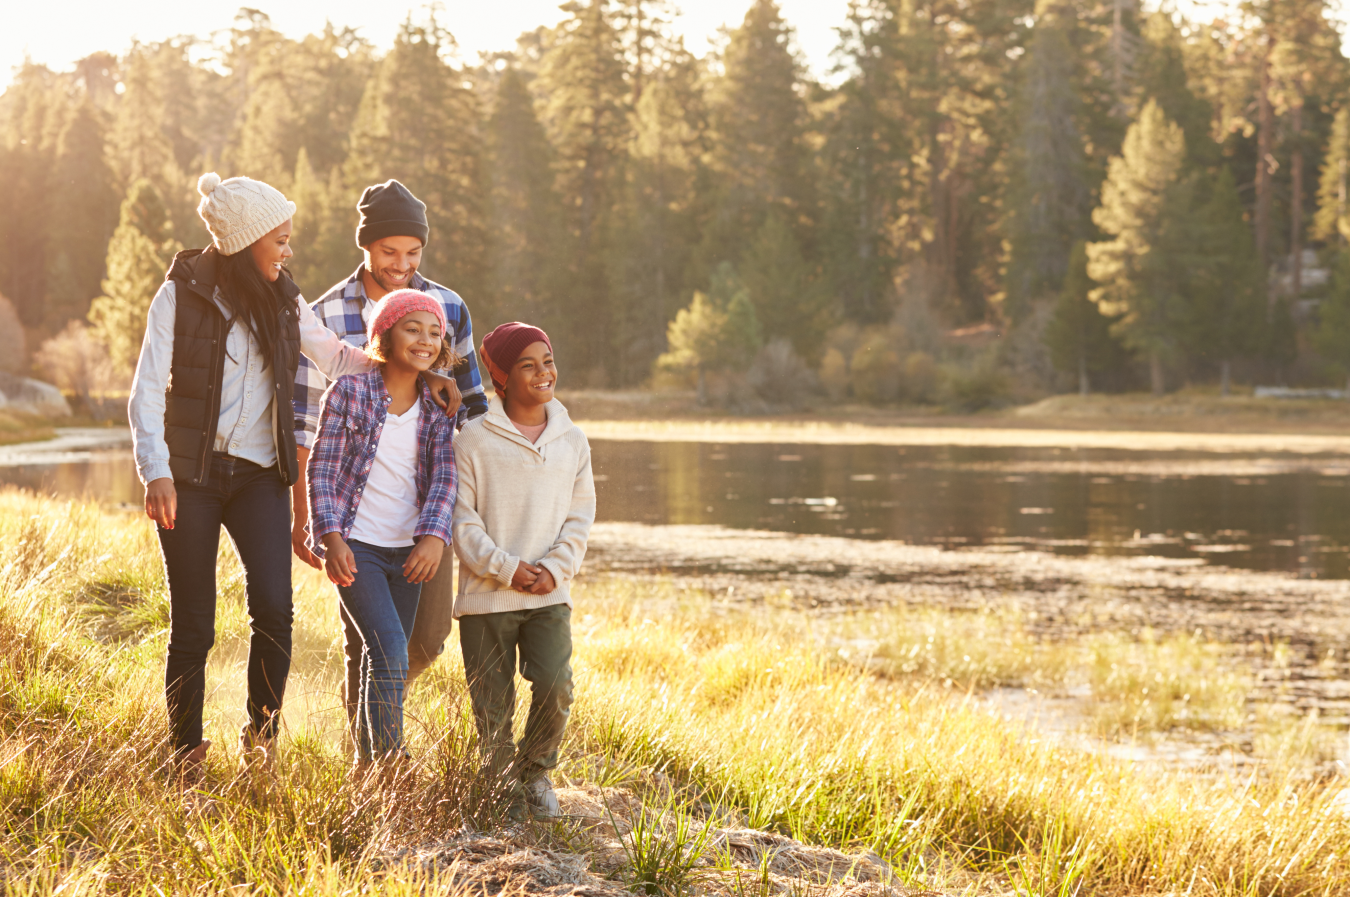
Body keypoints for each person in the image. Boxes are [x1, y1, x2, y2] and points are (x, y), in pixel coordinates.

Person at [129, 173, 387, 778]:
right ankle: (186, 750)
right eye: (280, 239)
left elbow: (335, 357)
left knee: (274, 608)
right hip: (187, 475)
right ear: (247, 242)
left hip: (258, 477)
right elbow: (145, 392)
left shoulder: (284, 298)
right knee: (194, 620)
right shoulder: (178, 296)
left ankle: (261, 734)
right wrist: (155, 470)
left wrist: (407, 361)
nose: (288, 250)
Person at [291, 180, 487, 737]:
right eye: (388, 251)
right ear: (366, 247)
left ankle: (374, 730)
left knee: (421, 640)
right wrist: (306, 518)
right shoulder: (329, 311)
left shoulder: (448, 306)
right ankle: (376, 760)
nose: (401, 264)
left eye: (413, 252)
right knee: (372, 640)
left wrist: (453, 513)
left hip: (422, 510)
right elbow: (306, 421)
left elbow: (472, 404)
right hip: (352, 514)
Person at [307, 290, 458, 770]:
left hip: (408, 553)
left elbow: (443, 478)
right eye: (413, 329)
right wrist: (331, 538)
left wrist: (434, 537)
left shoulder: (437, 407)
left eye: (434, 333)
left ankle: (368, 768)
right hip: (358, 549)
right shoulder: (349, 392)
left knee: (386, 654)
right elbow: (322, 471)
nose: (426, 341)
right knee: (389, 646)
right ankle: (393, 761)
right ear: (385, 335)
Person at [451, 322, 596, 818]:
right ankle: (498, 793)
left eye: (548, 361)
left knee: (556, 685)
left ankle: (534, 775)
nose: (542, 373)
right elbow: (462, 522)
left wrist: (554, 570)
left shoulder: (573, 441)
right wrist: (507, 569)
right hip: (487, 597)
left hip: (548, 595)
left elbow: (580, 516)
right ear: (502, 377)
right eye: (527, 365)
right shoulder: (472, 440)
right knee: (491, 706)